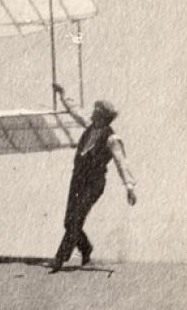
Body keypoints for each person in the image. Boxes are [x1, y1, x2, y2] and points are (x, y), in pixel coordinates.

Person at [50, 84, 136, 272]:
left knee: (77, 217)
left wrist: (129, 186)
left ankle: (60, 258)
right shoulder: (89, 127)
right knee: (69, 221)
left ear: (104, 116)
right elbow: (75, 112)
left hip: (94, 182)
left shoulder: (112, 138)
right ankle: (86, 249)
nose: (93, 113)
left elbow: (121, 162)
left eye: (97, 111)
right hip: (78, 179)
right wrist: (63, 94)